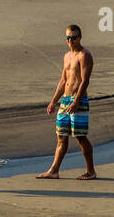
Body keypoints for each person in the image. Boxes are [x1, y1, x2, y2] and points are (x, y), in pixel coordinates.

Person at [37, 24, 97, 180]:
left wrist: (76, 101)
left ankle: (91, 171)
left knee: (80, 136)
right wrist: (53, 101)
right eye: (68, 38)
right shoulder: (66, 56)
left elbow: (85, 81)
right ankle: (54, 170)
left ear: (80, 37)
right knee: (61, 135)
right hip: (65, 100)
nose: (71, 40)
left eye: (74, 37)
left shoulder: (85, 55)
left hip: (79, 100)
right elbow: (63, 81)